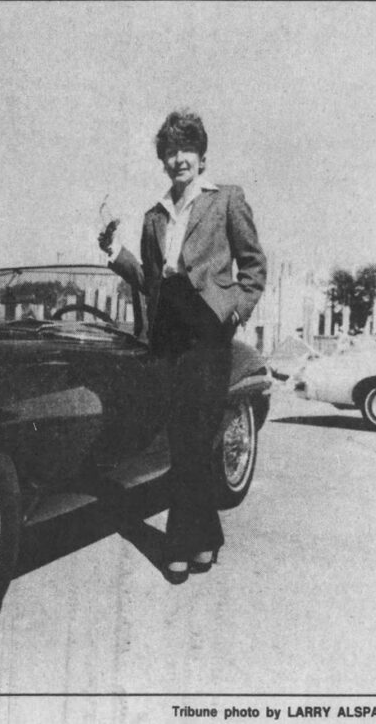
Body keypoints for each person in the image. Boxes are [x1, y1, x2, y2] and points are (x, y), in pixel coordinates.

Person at [101, 110, 266, 584]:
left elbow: (254, 266)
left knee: (194, 437)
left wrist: (235, 310)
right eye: (170, 152)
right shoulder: (155, 216)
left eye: (186, 150)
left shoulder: (226, 200)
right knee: (184, 440)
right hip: (169, 332)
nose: (178, 159)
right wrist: (116, 255)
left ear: (201, 155)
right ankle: (207, 538)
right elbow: (152, 284)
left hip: (207, 329)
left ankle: (179, 545)